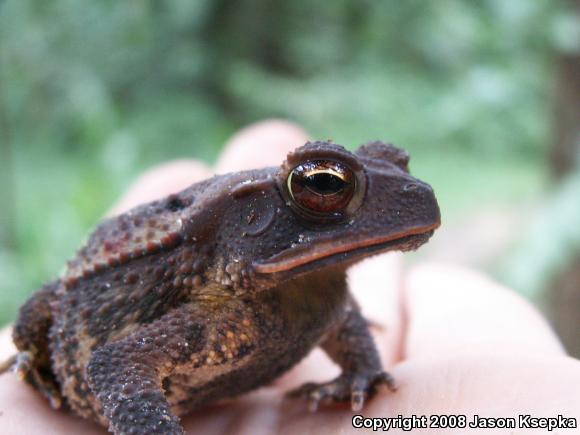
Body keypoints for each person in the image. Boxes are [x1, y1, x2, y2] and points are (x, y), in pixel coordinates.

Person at [1, 120, 578, 434]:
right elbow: (113, 362)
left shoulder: (319, 287)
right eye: (326, 186)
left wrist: (363, 371)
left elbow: (335, 312)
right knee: (35, 316)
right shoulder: (217, 307)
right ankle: (29, 359)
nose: (405, 192)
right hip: (96, 309)